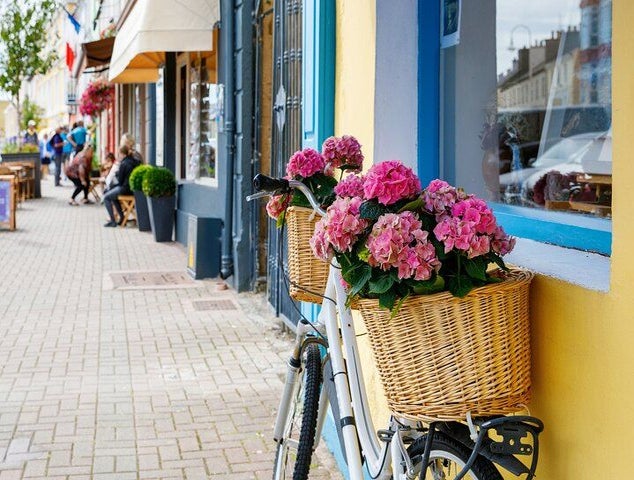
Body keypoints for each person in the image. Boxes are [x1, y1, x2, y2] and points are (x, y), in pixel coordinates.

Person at [102, 144, 140, 227]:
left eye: (119, 154)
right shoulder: (135, 161)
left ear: (122, 154)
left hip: (125, 189)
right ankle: (122, 218)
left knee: (106, 197)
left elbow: (120, 181)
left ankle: (113, 221)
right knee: (112, 195)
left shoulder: (124, 163)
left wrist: (112, 185)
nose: (118, 156)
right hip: (132, 189)